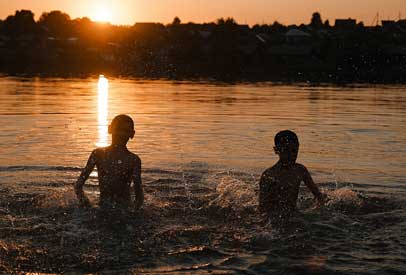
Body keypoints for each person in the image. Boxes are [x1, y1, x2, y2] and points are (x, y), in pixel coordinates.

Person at [74, 114, 143, 210]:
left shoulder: (133, 160)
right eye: (118, 129)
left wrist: (132, 212)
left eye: (126, 131)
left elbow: (139, 197)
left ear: (132, 134)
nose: (121, 134)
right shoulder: (98, 154)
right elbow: (78, 186)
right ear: (109, 129)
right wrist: (86, 204)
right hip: (102, 207)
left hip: (124, 209)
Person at [259, 130, 325, 218]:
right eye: (286, 150)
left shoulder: (300, 170)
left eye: (294, 151)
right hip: (275, 217)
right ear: (276, 150)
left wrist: (318, 212)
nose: (291, 155)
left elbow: (318, 195)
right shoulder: (269, 175)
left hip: (294, 213)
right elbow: (262, 207)